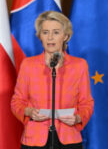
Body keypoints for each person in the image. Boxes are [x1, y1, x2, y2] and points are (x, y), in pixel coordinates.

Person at [11, 11, 94, 149]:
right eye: (45, 32)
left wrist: (78, 118)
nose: (50, 37)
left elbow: (87, 103)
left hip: (68, 138)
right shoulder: (28, 65)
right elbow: (16, 102)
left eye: (56, 32)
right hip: (34, 140)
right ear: (40, 37)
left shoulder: (79, 65)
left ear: (65, 36)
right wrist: (29, 112)